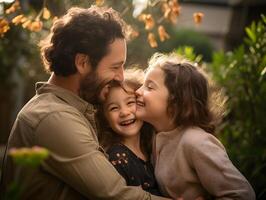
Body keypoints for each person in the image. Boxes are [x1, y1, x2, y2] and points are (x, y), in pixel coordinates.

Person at [0, 6, 170, 200]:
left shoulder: (74, 108)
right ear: (82, 63)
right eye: (115, 67)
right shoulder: (55, 117)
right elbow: (116, 194)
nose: (120, 77)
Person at [135, 53, 256, 200]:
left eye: (149, 87)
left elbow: (243, 195)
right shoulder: (155, 134)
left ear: (176, 100)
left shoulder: (195, 142)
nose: (137, 91)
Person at [98, 68, 162, 196]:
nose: (124, 112)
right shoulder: (118, 156)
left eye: (130, 102)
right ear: (105, 118)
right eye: (114, 108)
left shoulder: (153, 142)